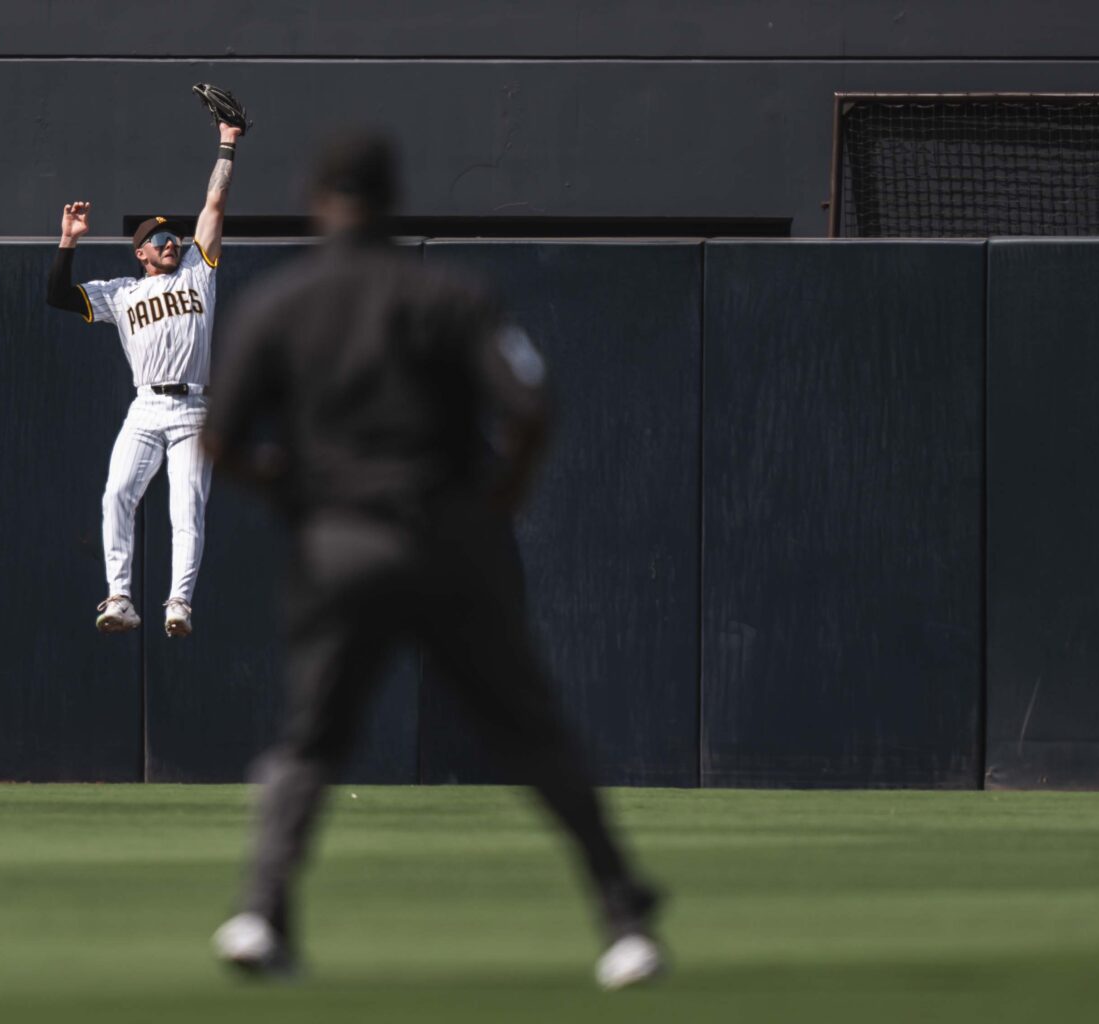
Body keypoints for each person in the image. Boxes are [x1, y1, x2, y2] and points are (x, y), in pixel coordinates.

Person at [200, 130, 664, 989]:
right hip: (451, 534)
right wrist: (503, 496)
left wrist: (290, 494)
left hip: (340, 538)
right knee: (531, 733)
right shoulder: (450, 293)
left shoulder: (280, 303)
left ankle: (259, 914)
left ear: (316, 199)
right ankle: (624, 920)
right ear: (393, 198)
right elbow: (531, 407)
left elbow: (218, 441)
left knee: (311, 740)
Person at [46, 119, 242, 638]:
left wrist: (227, 142)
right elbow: (58, 296)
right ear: (141, 253)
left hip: (194, 408)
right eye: (159, 239)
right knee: (117, 494)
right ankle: (120, 597)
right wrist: (67, 241)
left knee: (186, 507)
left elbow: (215, 204)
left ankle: (179, 603)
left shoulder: (199, 270)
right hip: (146, 408)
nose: (170, 241)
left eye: (173, 236)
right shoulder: (121, 292)